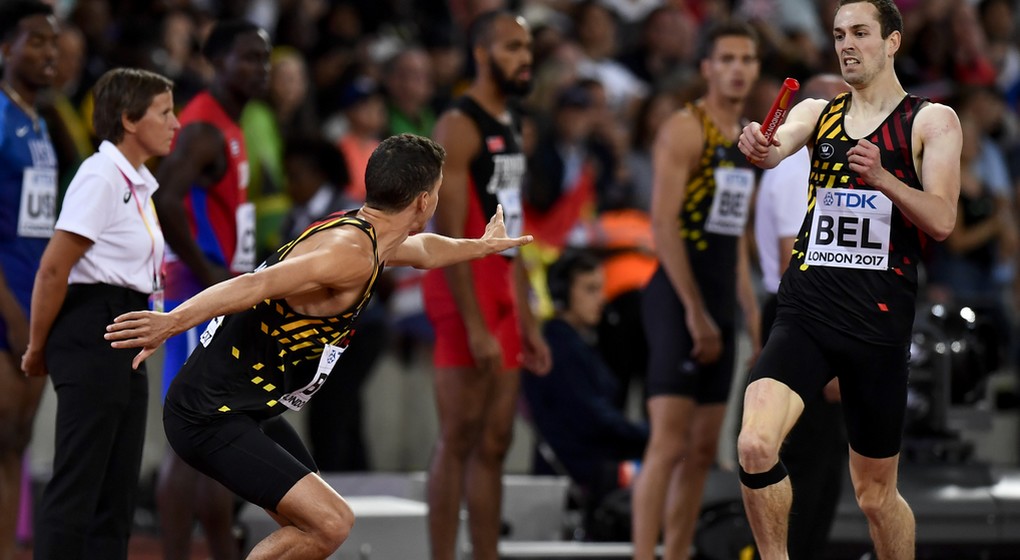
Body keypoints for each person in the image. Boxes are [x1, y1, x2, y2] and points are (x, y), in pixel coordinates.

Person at [105, 133, 535, 560]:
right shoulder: (349, 253)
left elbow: (423, 249)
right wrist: (171, 322)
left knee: (311, 523)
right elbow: (257, 284)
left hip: (250, 406)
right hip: (208, 412)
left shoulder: (373, 237)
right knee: (330, 522)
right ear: (424, 201)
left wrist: (480, 247)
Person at [735, 1, 963, 559]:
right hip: (807, 309)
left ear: (892, 42)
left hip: (877, 323)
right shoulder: (818, 111)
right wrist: (760, 145)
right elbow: (776, 146)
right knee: (755, 445)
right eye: (838, 35)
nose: (846, 45)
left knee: (875, 495)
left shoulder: (931, 120)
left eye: (860, 33)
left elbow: (941, 219)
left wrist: (883, 177)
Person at [23, 67, 178, 560]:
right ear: (130, 120)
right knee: (78, 488)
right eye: (165, 112)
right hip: (94, 327)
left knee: (116, 494)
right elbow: (53, 270)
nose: (176, 123)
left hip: (125, 329)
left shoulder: (136, 183)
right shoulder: (99, 176)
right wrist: (37, 346)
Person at [422, 10, 552, 560]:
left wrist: (527, 314)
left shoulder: (515, 123)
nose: (524, 57)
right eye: (511, 48)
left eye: (526, 48)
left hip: (501, 292)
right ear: (481, 53)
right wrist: (475, 323)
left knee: (496, 442)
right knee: (460, 438)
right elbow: (448, 233)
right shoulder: (459, 124)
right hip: (463, 295)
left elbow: (512, 225)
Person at [630, 20, 761, 560]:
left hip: (720, 299)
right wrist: (694, 311)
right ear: (706, 67)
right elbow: (664, 227)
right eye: (726, 58)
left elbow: (735, 234)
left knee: (705, 448)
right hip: (676, 300)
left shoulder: (751, 138)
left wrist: (750, 313)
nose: (737, 69)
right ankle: (643, 554)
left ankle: (677, 552)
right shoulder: (686, 129)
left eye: (747, 59)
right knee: (668, 442)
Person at [152, 19, 271, 560]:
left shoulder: (230, 124)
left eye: (264, 59)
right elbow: (167, 200)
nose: (260, 69)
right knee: (191, 436)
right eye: (247, 58)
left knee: (221, 433)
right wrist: (212, 276)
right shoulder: (202, 127)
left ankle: (222, 549)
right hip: (197, 297)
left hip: (217, 293)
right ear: (216, 62)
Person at [753, 73, 852, 560]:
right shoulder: (801, 165)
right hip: (807, 307)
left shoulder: (814, 162)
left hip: (810, 307)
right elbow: (795, 255)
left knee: (819, 460)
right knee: (806, 460)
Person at [520, 249, 648, 532]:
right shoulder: (559, 347)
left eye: (601, 289)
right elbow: (593, 418)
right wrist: (652, 436)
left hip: (592, 463)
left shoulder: (576, 343)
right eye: (590, 289)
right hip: (582, 470)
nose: (602, 299)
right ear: (563, 294)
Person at [0, 1, 58, 556]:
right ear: (5, 49)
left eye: (54, 42)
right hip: (6, 307)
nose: (50, 52)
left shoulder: (39, 121)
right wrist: (14, 313)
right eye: (36, 41)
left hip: (32, 300)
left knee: (15, 439)